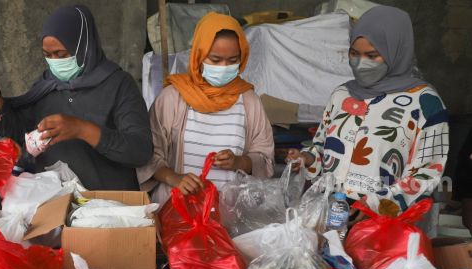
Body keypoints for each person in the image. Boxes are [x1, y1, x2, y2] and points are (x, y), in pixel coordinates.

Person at [287, 5, 449, 216]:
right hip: (330, 212)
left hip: (384, 224)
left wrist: (374, 206)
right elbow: (322, 147)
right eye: (354, 54)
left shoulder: (425, 103)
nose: (360, 63)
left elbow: (426, 173)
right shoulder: (342, 94)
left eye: (372, 56)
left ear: (397, 51)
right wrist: (308, 158)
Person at [0, 5, 152, 191]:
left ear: (84, 47)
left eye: (61, 54)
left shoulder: (118, 85)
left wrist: (82, 129)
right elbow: (19, 135)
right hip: (55, 203)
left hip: (107, 205)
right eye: (47, 55)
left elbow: (140, 151)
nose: (55, 62)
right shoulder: (46, 86)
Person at [137, 12, 274, 204]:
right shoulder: (172, 98)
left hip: (228, 214)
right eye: (215, 60)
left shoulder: (249, 101)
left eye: (233, 60)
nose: (224, 66)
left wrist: (238, 162)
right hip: (177, 211)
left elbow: (264, 156)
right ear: (199, 55)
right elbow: (149, 153)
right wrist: (175, 178)